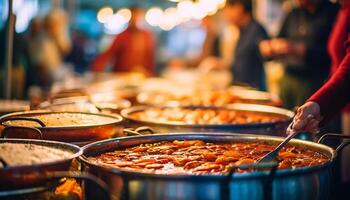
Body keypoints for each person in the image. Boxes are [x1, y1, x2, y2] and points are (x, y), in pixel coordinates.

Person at [260, 0, 339, 109]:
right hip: (288, 77)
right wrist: (271, 47)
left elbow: (335, 52)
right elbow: (279, 39)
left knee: (307, 121)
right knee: (283, 120)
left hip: (315, 80)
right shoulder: (293, 12)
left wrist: (302, 51)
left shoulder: (332, 12)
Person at [91, 6, 156, 76]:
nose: (136, 20)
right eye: (134, 17)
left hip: (141, 75)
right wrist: (96, 68)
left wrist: (151, 74)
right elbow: (109, 53)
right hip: (122, 75)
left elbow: (150, 58)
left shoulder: (147, 36)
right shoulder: (122, 36)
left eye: (138, 17)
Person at [222, 0, 269, 91]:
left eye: (230, 8)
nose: (227, 14)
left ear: (240, 8)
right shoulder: (242, 31)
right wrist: (221, 65)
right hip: (240, 89)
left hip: (253, 91)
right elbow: (241, 65)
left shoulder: (256, 29)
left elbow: (266, 52)